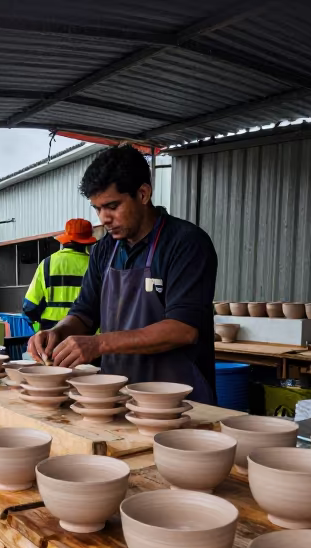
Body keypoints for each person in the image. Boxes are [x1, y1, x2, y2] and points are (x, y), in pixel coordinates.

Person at [27, 144, 218, 403]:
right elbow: (84, 314)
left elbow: (183, 329)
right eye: (97, 208)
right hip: (117, 398)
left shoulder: (186, 243)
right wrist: (57, 332)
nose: (104, 218)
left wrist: (98, 344)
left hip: (180, 403)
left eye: (112, 206)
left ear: (142, 194)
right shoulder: (104, 250)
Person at [22, 218, 96, 332]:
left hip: (51, 334)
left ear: (66, 240)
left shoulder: (47, 264)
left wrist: (38, 324)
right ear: (87, 242)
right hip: (86, 336)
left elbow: (29, 306)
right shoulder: (94, 265)